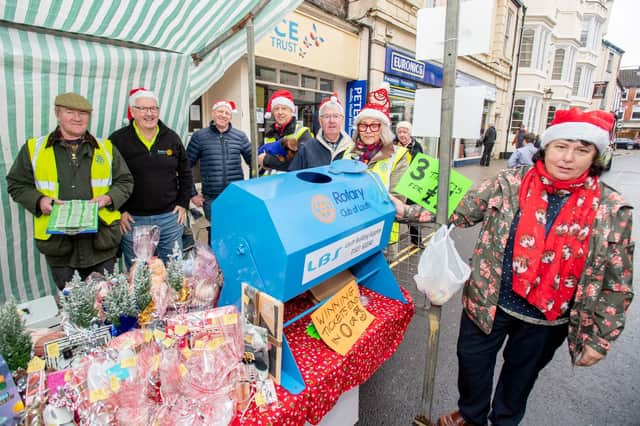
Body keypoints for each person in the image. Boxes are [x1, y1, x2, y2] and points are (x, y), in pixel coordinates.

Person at [392, 108, 634, 426]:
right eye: (561, 146)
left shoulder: (611, 208)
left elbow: (617, 282)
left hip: (546, 320)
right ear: (546, 147)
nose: (568, 158)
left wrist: (600, 338)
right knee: (472, 362)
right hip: (488, 303)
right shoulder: (509, 183)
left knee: (519, 379)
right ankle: (471, 413)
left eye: (582, 149)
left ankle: (503, 420)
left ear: (596, 156)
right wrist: (400, 211)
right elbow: (458, 210)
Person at [7, 93, 134, 289]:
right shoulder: (34, 148)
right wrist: (39, 200)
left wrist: (109, 197)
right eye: (70, 112)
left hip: (101, 243)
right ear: (58, 114)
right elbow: (16, 184)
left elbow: (125, 181)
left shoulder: (106, 148)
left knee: (106, 302)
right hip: (60, 247)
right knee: (74, 307)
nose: (77, 118)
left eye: (83, 113)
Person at [109, 88, 192, 268]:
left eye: (153, 108)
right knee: (140, 276)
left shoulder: (171, 138)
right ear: (133, 111)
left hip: (169, 218)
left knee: (172, 271)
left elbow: (185, 172)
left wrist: (183, 203)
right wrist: (119, 210)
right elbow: (108, 178)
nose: (150, 113)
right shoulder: (118, 140)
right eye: (144, 109)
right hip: (134, 220)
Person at [343, 83, 410, 249]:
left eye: (374, 125)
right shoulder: (348, 153)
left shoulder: (398, 156)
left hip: (382, 234)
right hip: (351, 233)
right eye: (363, 125)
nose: (368, 130)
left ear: (383, 129)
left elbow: (398, 197)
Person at [187, 99, 251, 223]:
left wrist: (250, 189)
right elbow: (186, 166)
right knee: (216, 233)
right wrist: (192, 194)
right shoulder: (200, 136)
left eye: (227, 113)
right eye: (220, 111)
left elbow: (254, 164)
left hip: (235, 196)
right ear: (213, 113)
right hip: (212, 198)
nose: (223, 115)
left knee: (236, 230)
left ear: (231, 116)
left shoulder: (240, 137)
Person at [289, 93, 352, 171]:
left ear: (342, 119)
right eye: (327, 116)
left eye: (336, 116)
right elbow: (293, 178)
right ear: (320, 121)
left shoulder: (352, 149)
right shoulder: (307, 148)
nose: (331, 121)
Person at [258, 89, 314, 173]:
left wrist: (268, 160)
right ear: (273, 112)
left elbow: (303, 163)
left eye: (284, 108)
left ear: (291, 111)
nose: (280, 112)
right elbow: (259, 161)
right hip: (269, 184)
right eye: (276, 109)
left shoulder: (302, 133)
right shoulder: (268, 135)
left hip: (291, 185)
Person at [395, 120, 425, 248]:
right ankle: (390, 244)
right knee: (395, 214)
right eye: (399, 132)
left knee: (412, 215)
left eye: (405, 132)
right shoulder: (393, 145)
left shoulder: (417, 146)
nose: (402, 134)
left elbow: (421, 165)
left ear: (409, 133)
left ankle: (417, 241)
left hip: (411, 185)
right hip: (396, 184)